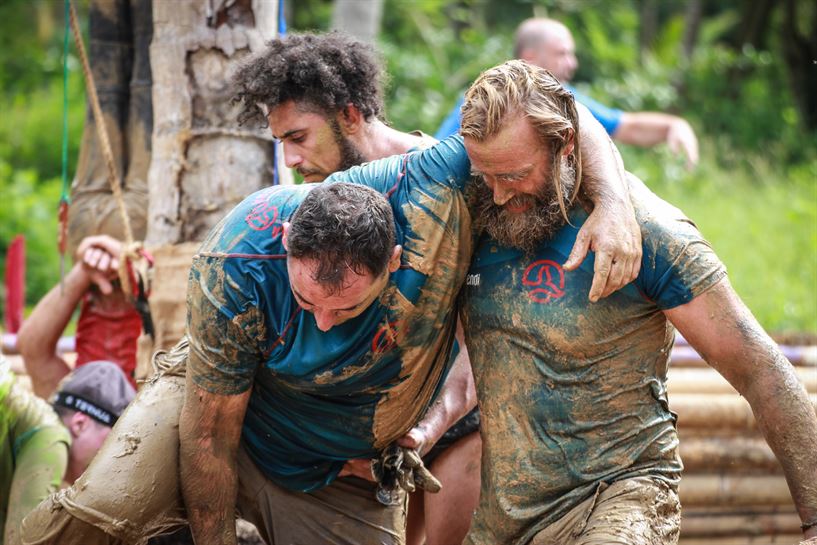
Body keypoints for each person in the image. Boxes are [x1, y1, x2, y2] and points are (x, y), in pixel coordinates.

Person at [21, 33, 640, 545]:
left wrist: (613, 202)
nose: (289, 159)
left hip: (347, 438)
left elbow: (559, 112)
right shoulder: (261, 228)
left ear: (349, 115)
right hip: (234, 391)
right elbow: (209, 422)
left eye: (298, 137)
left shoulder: (443, 183)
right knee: (91, 518)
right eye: (280, 142)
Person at [455, 60, 817, 545]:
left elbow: (759, 368)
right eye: (487, 176)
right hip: (505, 518)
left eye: (515, 176)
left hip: (621, 498)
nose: (498, 195)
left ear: (565, 146)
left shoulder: (651, 234)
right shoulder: (474, 204)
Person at [436, 17, 699, 170]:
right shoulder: (484, 100)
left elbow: (625, 126)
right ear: (530, 57)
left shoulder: (562, 99)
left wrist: (672, 126)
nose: (572, 63)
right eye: (562, 53)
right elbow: (437, 153)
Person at [0, 358, 135, 545]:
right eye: (111, 442)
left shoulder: (19, 436)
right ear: (81, 423)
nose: (111, 461)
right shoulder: (50, 436)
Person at [17, 235, 142, 397]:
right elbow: (33, 349)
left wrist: (140, 268)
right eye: (94, 296)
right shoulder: (75, 410)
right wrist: (84, 270)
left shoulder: (167, 391)